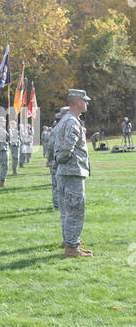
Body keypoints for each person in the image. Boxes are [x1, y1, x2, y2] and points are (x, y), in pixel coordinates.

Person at [54, 89, 93, 258]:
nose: (87, 103)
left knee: (67, 209)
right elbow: (66, 150)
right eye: (85, 100)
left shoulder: (67, 120)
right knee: (76, 209)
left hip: (66, 172)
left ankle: (69, 240)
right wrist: (60, 160)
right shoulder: (72, 122)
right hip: (72, 172)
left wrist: (59, 160)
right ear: (77, 101)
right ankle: (72, 248)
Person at [46, 107, 69, 211]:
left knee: (61, 185)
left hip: (63, 161)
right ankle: (57, 206)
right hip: (57, 161)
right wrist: (50, 160)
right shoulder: (58, 129)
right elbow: (50, 146)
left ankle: (61, 205)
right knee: (57, 184)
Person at [0, 116, 9, 188]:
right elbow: (7, 137)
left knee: (5, 166)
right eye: (3, 122)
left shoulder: (1, 129)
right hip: (2, 150)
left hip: (2, 149)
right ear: (0, 122)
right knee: (4, 166)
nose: (4, 123)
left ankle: (2, 182)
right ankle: (2, 183)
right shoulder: (0, 130)